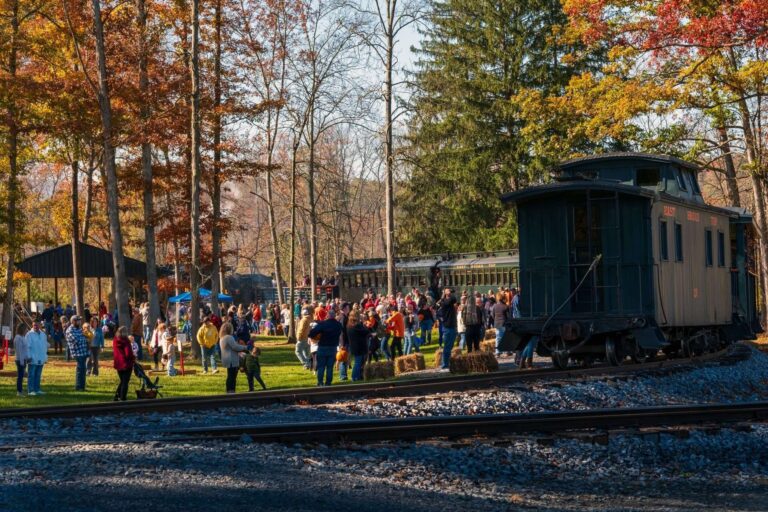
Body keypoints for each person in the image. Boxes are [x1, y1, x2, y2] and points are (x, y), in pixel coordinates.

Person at [308, 309, 343, 387]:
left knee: (321, 366)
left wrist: (316, 337)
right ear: (334, 316)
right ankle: (328, 382)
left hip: (322, 347)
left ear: (328, 315)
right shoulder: (338, 325)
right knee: (330, 367)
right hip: (333, 347)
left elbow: (311, 333)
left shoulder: (323, 324)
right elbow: (341, 334)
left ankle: (320, 382)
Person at [219, 322, 246, 393]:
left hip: (226, 359)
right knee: (232, 377)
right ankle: (231, 391)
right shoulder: (229, 337)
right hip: (231, 359)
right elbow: (235, 347)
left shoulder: (222, 338)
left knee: (229, 376)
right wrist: (245, 347)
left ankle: (228, 390)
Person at [66, 315, 90, 391]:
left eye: (79, 320)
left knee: (83, 370)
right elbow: (76, 340)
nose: (79, 322)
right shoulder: (69, 330)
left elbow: (86, 338)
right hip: (77, 353)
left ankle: (82, 387)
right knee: (80, 370)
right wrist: (84, 338)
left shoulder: (79, 329)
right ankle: (78, 387)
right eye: (78, 320)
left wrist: (85, 337)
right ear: (73, 321)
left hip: (83, 352)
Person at [436, 288, 458, 370]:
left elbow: (454, 299)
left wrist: (448, 293)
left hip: (452, 326)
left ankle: (447, 363)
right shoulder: (444, 302)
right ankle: (444, 364)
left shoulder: (449, 301)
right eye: (447, 291)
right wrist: (447, 294)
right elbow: (452, 299)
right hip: (447, 327)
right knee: (447, 346)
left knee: (450, 346)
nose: (450, 292)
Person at [26, 321, 48, 396]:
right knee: (31, 375)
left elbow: (44, 346)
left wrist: (45, 357)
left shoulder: (43, 334)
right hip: (32, 358)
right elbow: (27, 347)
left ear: (40, 325)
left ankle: (37, 389)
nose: (35, 326)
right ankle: (30, 390)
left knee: (38, 375)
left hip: (41, 358)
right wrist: (29, 357)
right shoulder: (29, 334)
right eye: (34, 325)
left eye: (37, 325)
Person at [113, 326, 135, 401]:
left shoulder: (115, 340)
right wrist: (133, 357)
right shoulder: (125, 341)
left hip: (118, 363)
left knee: (122, 381)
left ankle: (117, 396)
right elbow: (128, 353)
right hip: (126, 363)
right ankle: (123, 397)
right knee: (125, 382)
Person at [347, 310, 369, 381]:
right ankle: (354, 377)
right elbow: (365, 331)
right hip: (359, 346)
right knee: (358, 362)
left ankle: (358, 376)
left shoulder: (349, 325)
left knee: (359, 362)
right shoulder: (357, 325)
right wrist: (364, 324)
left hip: (354, 345)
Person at [13, 324, 28, 396]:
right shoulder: (18, 338)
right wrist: (22, 362)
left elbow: (25, 350)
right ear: (22, 329)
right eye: (25, 329)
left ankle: (20, 390)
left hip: (23, 359)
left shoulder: (22, 337)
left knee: (21, 376)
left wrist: (27, 358)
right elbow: (19, 351)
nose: (26, 331)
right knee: (20, 376)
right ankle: (19, 391)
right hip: (20, 360)